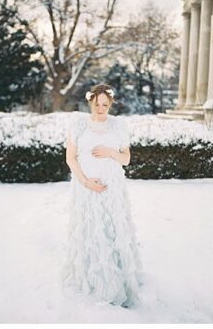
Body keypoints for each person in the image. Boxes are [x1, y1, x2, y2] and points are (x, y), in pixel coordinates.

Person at [61, 84, 142, 307]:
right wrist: (86, 181)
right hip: (85, 187)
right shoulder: (78, 124)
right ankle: (93, 279)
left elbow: (126, 159)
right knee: (91, 229)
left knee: (112, 230)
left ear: (111, 103)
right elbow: (70, 158)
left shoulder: (118, 126)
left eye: (105, 104)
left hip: (112, 189)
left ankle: (118, 275)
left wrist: (110, 152)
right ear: (90, 102)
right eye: (97, 104)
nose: (101, 108)